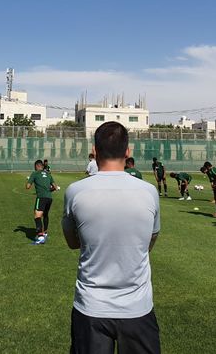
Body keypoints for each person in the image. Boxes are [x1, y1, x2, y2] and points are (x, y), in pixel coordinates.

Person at [62, 122, 161, 354]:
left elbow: (72, 242)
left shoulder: (75, 191)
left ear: (94, 150)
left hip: (91, 308)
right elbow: (150, 242)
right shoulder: (149, 191)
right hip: (137, 308)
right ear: (128, 151)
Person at [26, 159, 59, 244]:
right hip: (49, 198)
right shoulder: (48, 174)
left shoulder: (35, 173)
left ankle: (40, 236)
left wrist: (30, 181)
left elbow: (27, 186)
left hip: (41, 197)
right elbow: (55, 187)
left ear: (37, 166)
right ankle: (45, 232)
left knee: (37, 216)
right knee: (45, 215)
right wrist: (48, 190)